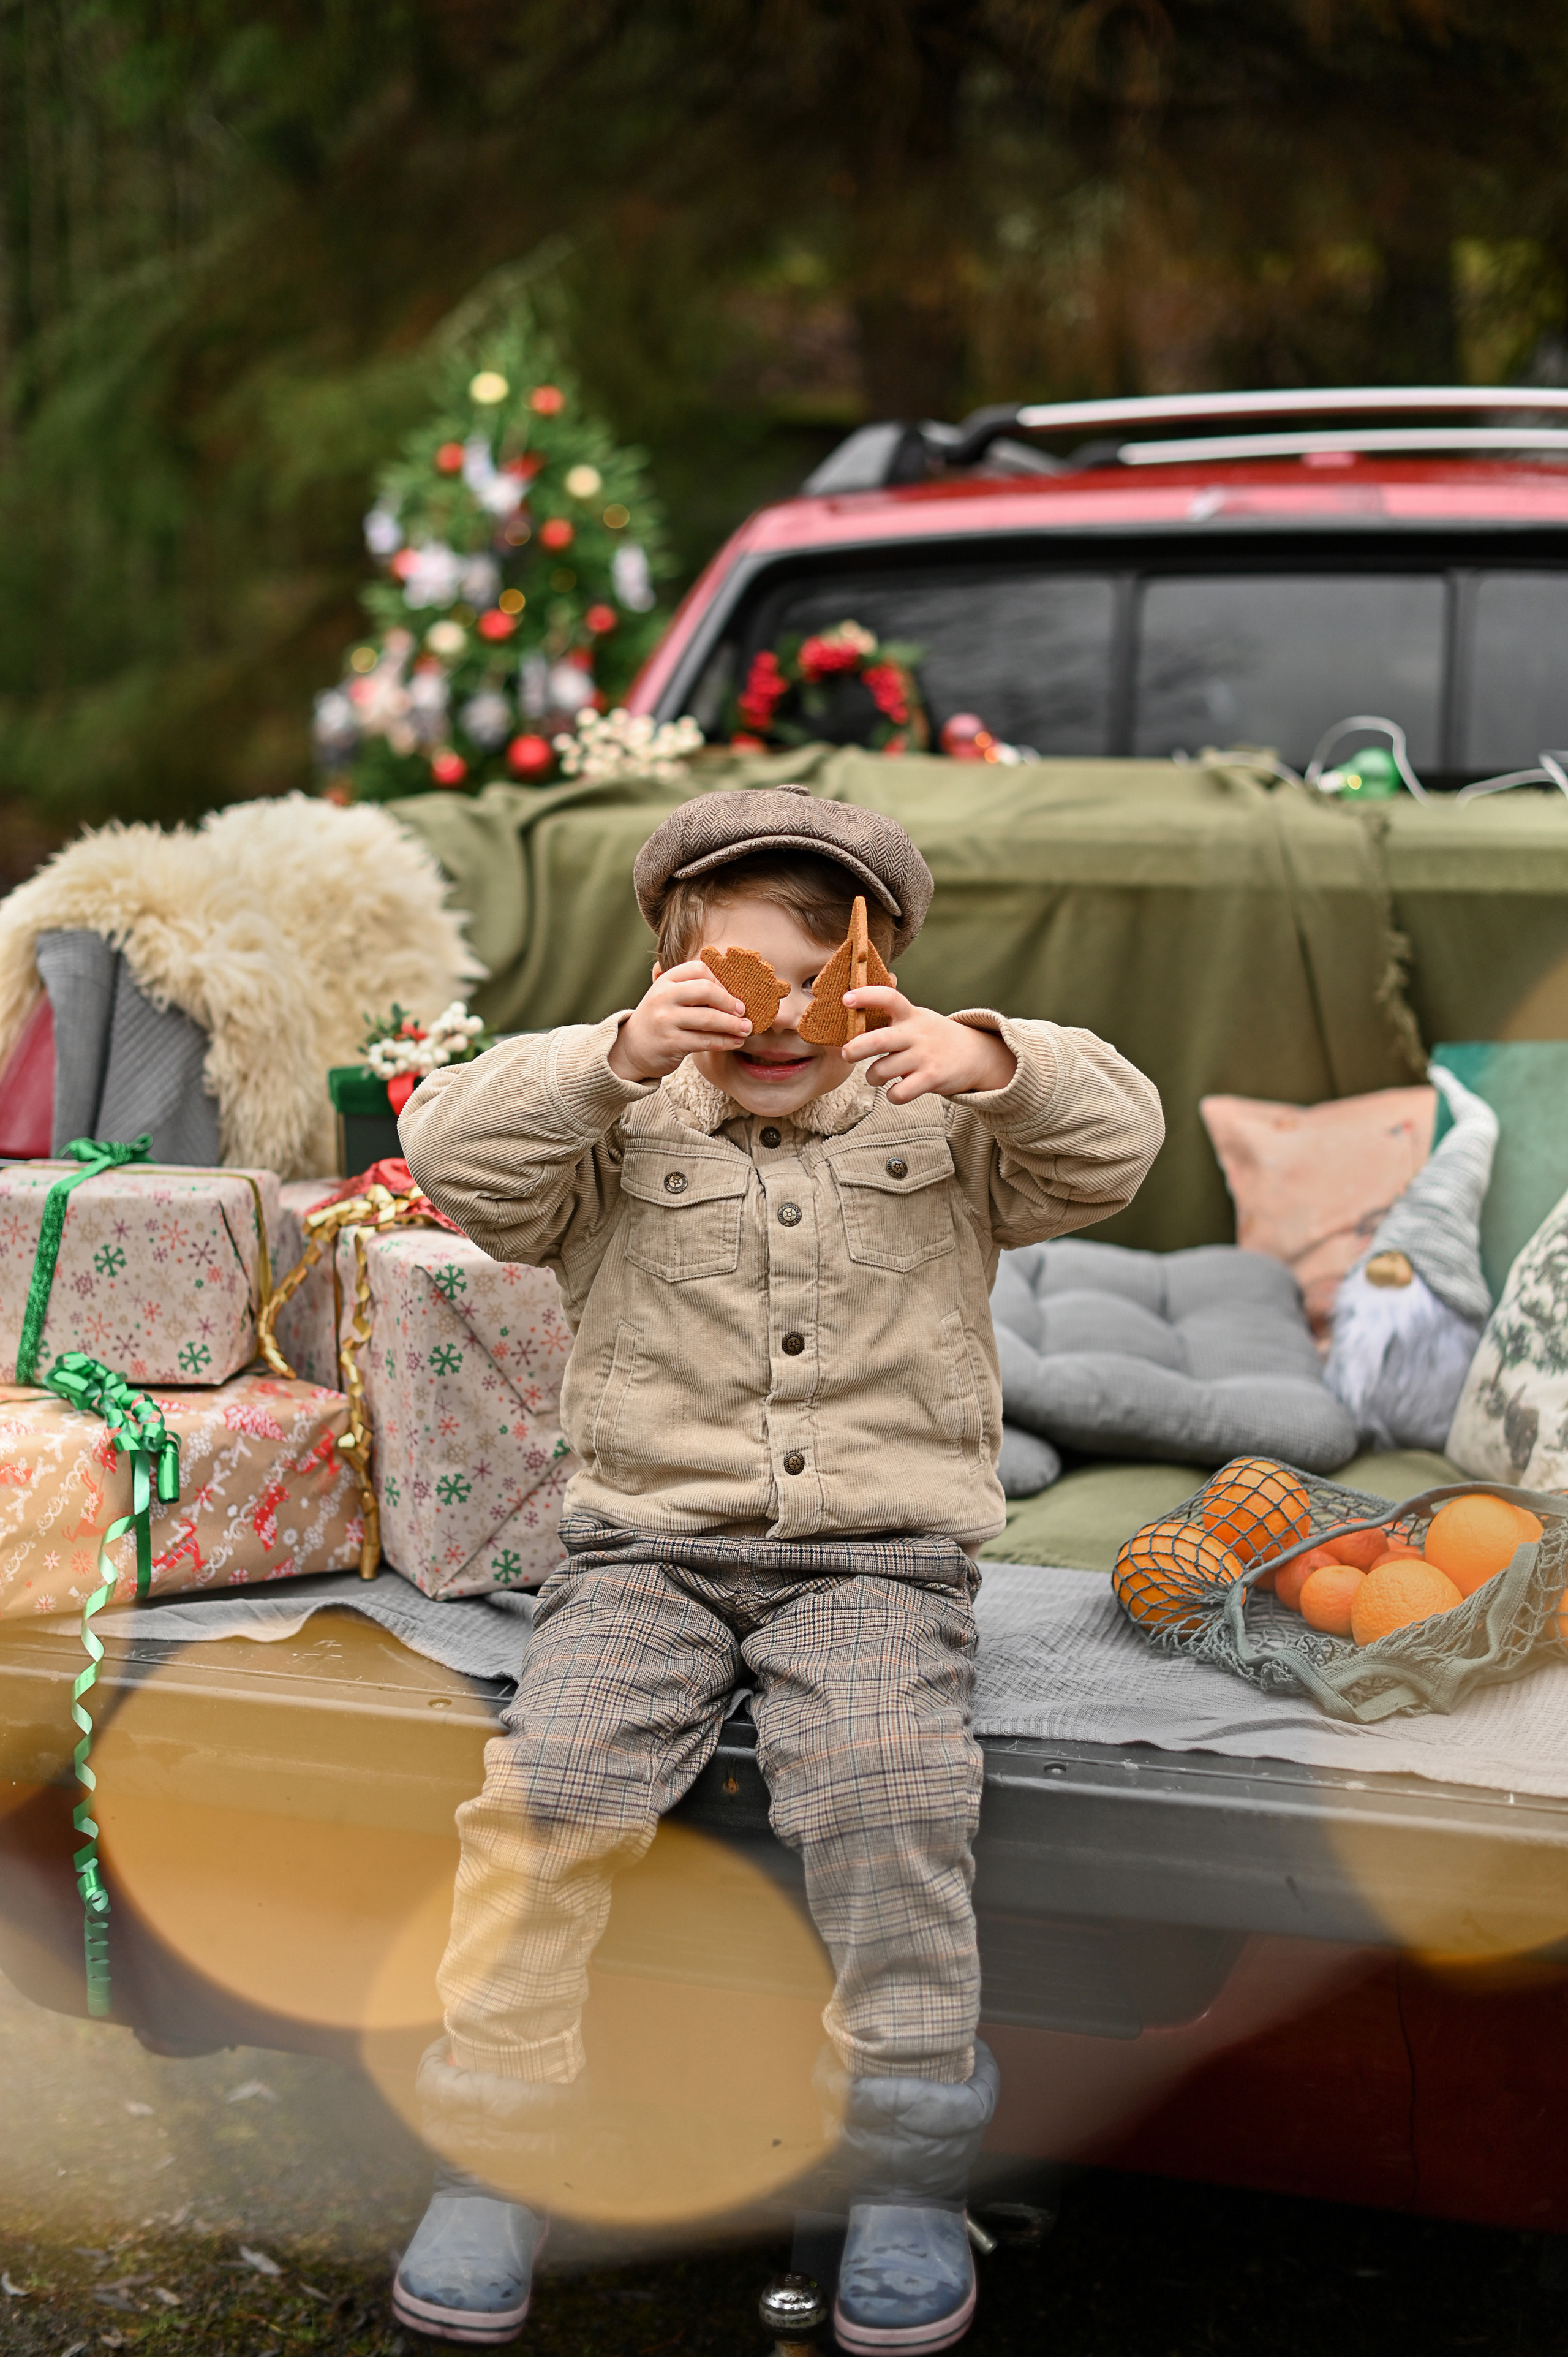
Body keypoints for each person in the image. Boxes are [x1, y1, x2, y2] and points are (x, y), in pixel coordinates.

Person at [391, 783, 1163, 2350]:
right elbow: (451, 1159)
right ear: (674, 984)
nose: (775, 1020)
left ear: (873, 975)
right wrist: (607, 1057)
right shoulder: (611, 1129)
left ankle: (900, 2162)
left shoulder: (947, 1125)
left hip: (876, 1564)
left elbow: (1116, 1149)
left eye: (815, 981)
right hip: (642, 1557)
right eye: (726, 982)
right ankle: (494, 2141)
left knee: (891, 1793)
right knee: (544, 1801)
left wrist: (996, 1057)